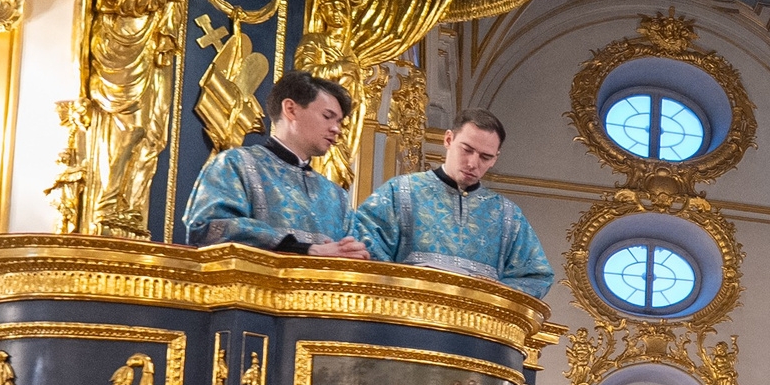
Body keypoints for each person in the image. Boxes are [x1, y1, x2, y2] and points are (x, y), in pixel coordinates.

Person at [349, 109, 554, 295]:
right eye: (467, 150)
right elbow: (364, 244)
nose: (473, 163)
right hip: (408, 317)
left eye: (485, 157)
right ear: (448, 140)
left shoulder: (508, 215)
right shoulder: (401, 192)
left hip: (476, 327)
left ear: (495, 159)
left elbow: (537, 276)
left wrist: (499, 291)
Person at [183, 73, 368, 255]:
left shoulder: (336, 195)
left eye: (339, 122)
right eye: (328, 116)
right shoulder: (235, 165)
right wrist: (305, 249)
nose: (337, 129)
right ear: (291, 109)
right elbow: (209, 228)